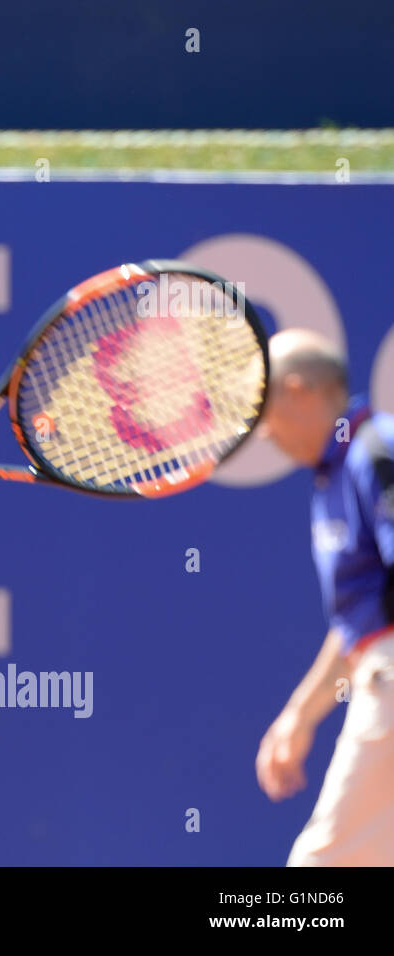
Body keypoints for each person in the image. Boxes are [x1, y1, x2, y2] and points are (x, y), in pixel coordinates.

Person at [254, 328, 394, 866]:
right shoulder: (333, 474)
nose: (261, 432)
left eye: (264, 407)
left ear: (299, 391)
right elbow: (364, 623)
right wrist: (301, 714)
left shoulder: (374, 453)